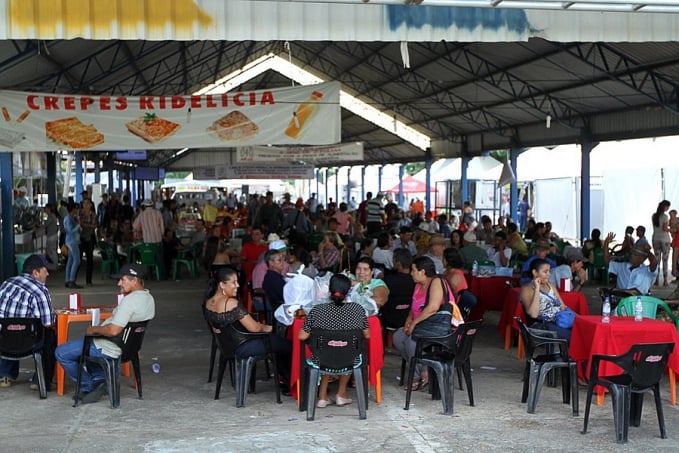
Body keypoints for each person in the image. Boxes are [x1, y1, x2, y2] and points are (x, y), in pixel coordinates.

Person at [55, 263, 155, 403]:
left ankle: (88, 385)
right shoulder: (149, 299)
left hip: (110, 346)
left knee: (62, 352)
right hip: (130, 348)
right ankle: (100, 381)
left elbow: (113, 330)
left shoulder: (130, 301)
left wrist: (94, 329)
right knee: (84, 347)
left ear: (134, 280)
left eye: (123, 279)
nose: (119, 283)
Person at [204, 267, 291, 394]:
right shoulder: (231, 303)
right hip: (242, 346)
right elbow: (255, 328)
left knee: (277, 347)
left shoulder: (208, 302)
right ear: (222, 285)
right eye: (233, 282)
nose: (237, 285)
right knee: (287, 346)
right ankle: (294, 383)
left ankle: (286, 380)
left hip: (227, 346)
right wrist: (267, 327)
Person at [298, 274, 369, 408]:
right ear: (348, 291)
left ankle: (322, 397)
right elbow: (367, 334)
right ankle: (341, 394)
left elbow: (302, 336)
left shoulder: (317, 311)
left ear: (329, 290)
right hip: (349, 359)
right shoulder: (357, 310)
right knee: (345, 351)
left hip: (322, 359)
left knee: (326, 352)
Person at [393, 256, 456, 391]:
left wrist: (414, 323)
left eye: (414, 270)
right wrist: (408, 320)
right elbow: (413, 307)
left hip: (436, 328)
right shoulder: (418, 285)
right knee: (398, 336)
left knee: (411, 343)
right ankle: (425, 369)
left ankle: (416, 376)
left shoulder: (437, 282)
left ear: (422, 272)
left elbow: (433, 307)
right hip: (421, 325)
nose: (411, 273)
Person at [0, 254, 56, 390]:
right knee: (52, 335)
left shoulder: (6, 283)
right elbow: (48, 322)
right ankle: (40, 380)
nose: (48, 274)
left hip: (3, 342)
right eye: (45, 271)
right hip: (28, 344)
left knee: (9, 330)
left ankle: (5, 374)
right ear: (35, 273)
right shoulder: (40, 291)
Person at [520, 258, 572, 341]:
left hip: (559, 322)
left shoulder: (550, 285)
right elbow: (533, 314)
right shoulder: (526, 289)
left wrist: (578, 318)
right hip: (542, 326)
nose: (549, 274)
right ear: (535, 272)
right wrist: (537, 288)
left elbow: (563, 306)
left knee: (581, 331)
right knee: (574, 338)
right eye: (545, 272)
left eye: (549, 271)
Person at [382, 249, 415, 330]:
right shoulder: (416, 281)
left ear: (398, 263)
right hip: (411, 319)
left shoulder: (387, 280)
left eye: (393, 260)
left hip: (390, 320)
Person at [443, 247, 477, 319]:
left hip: (453, 307)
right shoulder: (447, 272)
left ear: (448, 260)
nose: (442, 261)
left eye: (443, 258)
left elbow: (450, 296)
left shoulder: (455, 276)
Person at [651, 200, 672, 286]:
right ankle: (665, 280)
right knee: (665, 260)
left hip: (656, 239)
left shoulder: (654, 216)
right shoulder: (665, 216)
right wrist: (673, 229)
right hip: (665, 240)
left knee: (657, 260)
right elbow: (665, 228)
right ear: (665, 207)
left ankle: (656, 280)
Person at [79, 199, 97, 286]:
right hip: (80, 238)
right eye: (84, 203)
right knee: (78, 258)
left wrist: (85, 225)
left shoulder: (93, 214)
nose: (85, 205)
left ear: (90, 205)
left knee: (89, 259)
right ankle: (72, 279)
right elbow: (78, 224)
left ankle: (88, 280)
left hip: (89, 238)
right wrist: (88, 225)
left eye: (87, 203)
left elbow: (94, 225)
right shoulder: (80, 213)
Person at [63, 202, 82, 289]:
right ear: (73, 209)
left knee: (70, 261)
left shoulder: (71, 218)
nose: (77, 210)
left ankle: (68, 280)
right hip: (72, 242)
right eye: (76, 208)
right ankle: (71, 280)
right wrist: (78, 226)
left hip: (72, 241)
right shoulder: (68, 219)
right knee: (76, 260)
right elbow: (70, 231)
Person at [43, 203, 59, 271]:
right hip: (53, 235)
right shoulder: (53, 216)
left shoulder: (50, 216)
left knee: (51, 251)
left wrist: (38, 228)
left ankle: (55, 265)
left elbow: (45, 225)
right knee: (52, 251)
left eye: (46, 208)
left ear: (49, 208)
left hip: (51, 236)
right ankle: (55, 264)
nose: (45, 210)